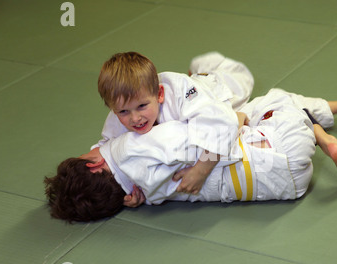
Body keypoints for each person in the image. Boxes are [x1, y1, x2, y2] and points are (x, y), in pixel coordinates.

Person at [44, 88, 337, 222]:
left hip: (288, 187)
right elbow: (206, 135)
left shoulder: (140, 195)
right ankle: (325, 137)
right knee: (272, 102)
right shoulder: (131, 146)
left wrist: (131, 200)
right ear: (94, 162)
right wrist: (235, 119)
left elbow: (152, 186)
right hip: (278, 153)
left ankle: (327, 127)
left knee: (263, 114)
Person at [95, 51, 254, 205]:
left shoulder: (177, 94)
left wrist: (201, 170)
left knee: (243, 81)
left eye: (142, 106)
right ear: (113, 109)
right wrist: (134, 193)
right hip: (189, 93)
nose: (135, 118)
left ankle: (204, 67)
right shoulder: (117, 114)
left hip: (216, 90)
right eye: (123, 112)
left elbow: (222, 124)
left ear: (159, 95)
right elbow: (105, 147)